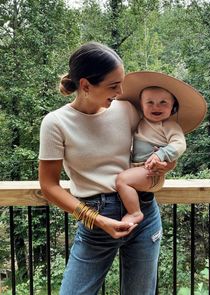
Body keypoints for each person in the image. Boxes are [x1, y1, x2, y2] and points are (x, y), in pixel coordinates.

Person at [38, 42, 176, 295]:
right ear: (85, 85)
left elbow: (158, 144)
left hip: (143, 212)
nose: (121, 91)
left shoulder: (126, 109)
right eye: (113, 86)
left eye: (121, 83)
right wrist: (97, 220)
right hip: (96, 219)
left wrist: (166, 164)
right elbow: (48, 186)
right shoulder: (55, 123)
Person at [116, 71, 207, 225]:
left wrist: (162, 154)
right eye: (149, 102)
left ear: (173, 107)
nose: (156, 106)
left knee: (122, 180)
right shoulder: (140, 122)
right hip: (139, 168)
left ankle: (135, 213)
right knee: (122, 178)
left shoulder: (169, 125)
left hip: (152, 172)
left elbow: (180, 144)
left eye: (163, 102)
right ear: (141, 105)